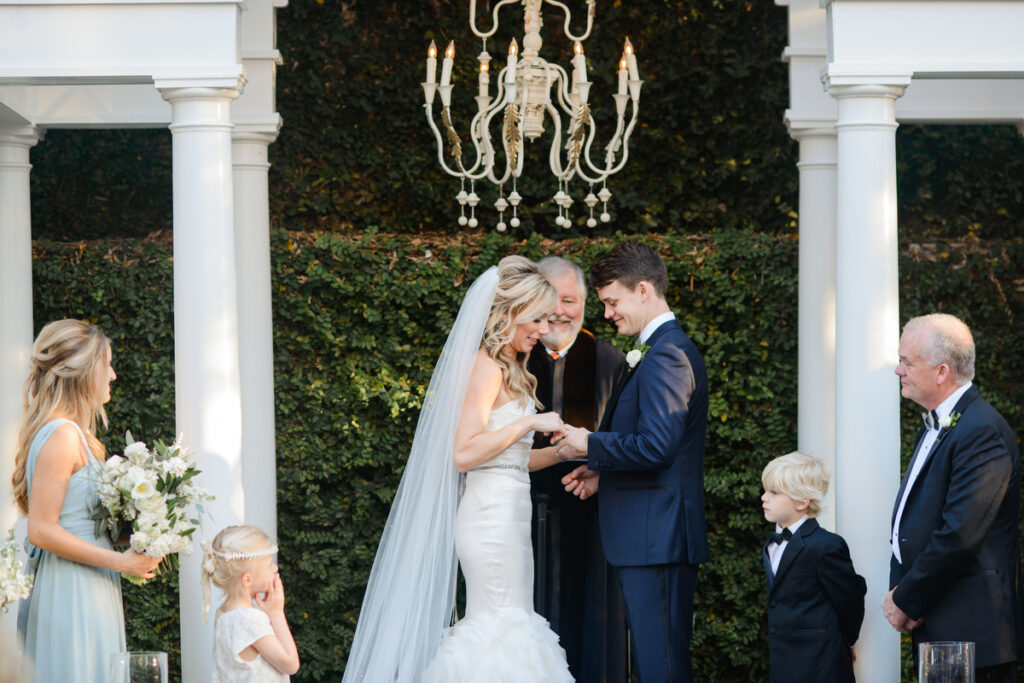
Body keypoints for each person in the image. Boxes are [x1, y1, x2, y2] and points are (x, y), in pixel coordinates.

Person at [343, 256, 573, 682]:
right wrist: (529, 422)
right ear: (509, 314)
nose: (544, 329)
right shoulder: (484, 367)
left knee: (512, 622)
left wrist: (565, 452)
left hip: (510, 517)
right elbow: (465, 454)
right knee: (499, 625)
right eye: (538, 318)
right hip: (488, 523)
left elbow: (510, 461)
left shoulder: (514, 371)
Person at [558, 241, 710, 682]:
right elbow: (661, 449)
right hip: (652, 537)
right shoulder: (660, 349)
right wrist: (603, 473)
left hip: (657, 539)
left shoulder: (666, 355)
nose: (607, 314)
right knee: (654, 663)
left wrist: (591, 444)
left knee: (661, 666)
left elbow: (657, 446)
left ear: (643, 289)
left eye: (612, 301)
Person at [12, 319, 162, 683]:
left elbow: (79, 518)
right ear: (80, 370)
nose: (112, 375)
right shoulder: (61, 435)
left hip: (94, 582)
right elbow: (42, 530)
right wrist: (121, 562)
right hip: (71, 588)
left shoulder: (80, 437)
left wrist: (144, 533)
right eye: (105, 364)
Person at [885, 313, 1023, 681]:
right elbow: (916, 522)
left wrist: (906, 598)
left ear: (942, 372)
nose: (899, 370)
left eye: (907, 362)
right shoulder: (940, 425)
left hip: (972, 634)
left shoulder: (982, 432)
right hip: (940, 627)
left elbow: (960, 533)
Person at [527, 256, 628, 682]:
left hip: (591, 517)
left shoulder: (611, 362)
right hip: (525, 513)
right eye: (553, 299)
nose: (561, 311)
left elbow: (629, 441)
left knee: (591, 623)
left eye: (571, 300)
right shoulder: (516, 356)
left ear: (585, 303)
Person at [760, 452, 865, 683]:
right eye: (766, 490)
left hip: (820, 664)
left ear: (801, 501)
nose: (763, 498)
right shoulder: (771, 545)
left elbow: (850, 599)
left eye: (774, 492)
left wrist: (844, 641)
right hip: (783, 663)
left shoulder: (826, 546)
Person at [201, 525, 300, 682]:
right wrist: (276, 614)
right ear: (247, 579)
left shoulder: (224, 613)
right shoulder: (249, 619)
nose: (275, 568)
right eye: (269, 565)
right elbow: (290, 665)